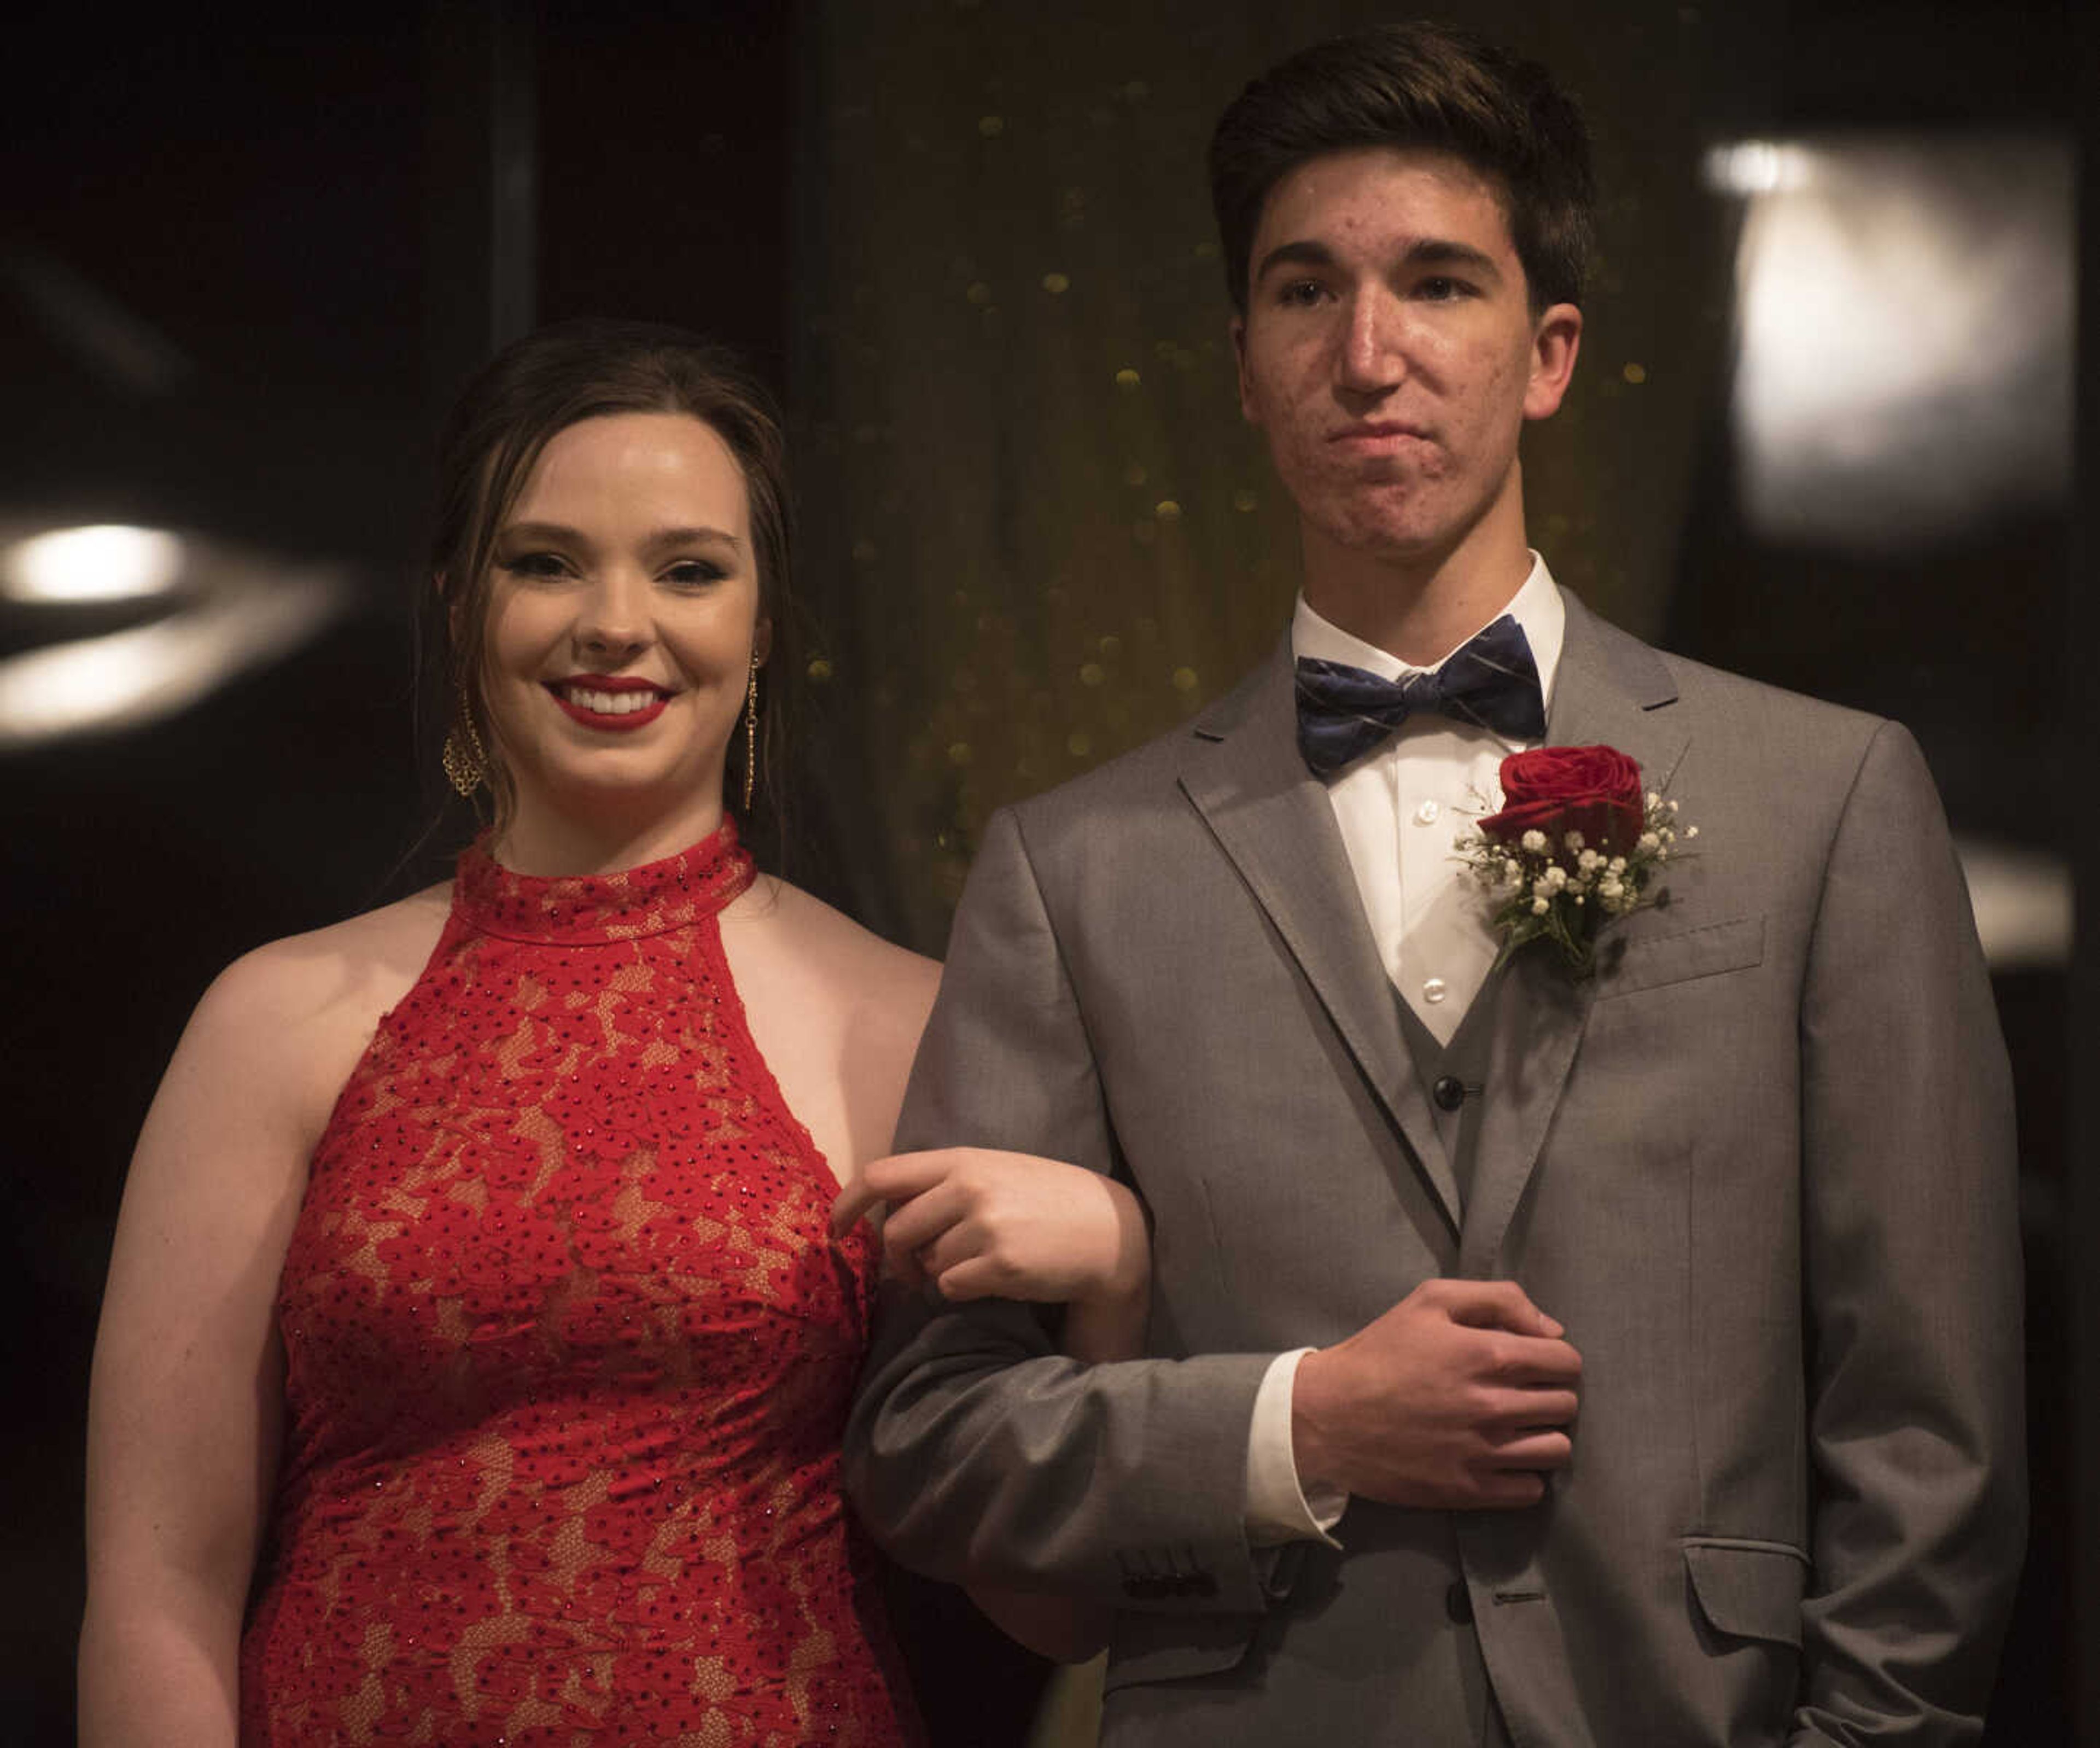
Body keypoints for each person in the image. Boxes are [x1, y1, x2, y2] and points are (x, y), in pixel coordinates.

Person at [841, 22, 2025, 1746]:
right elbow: (929, 1441)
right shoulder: (1072, 865)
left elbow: (1931, 1410)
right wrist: (1295, 1422)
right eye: (1305, 291)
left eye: (1439, 285)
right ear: (1243, 364)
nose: (1370, 352)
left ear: (1549, 355)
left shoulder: (1825, 798)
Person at [78, 318, 1147, 1744]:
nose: (615, 620)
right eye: (546, 562)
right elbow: (157, 1584)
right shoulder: (274, 1023)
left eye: (689, 568)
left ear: (762, 626)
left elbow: (1057, 1612)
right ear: (461, 604)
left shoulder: (903, 1020)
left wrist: (1122, 1275)